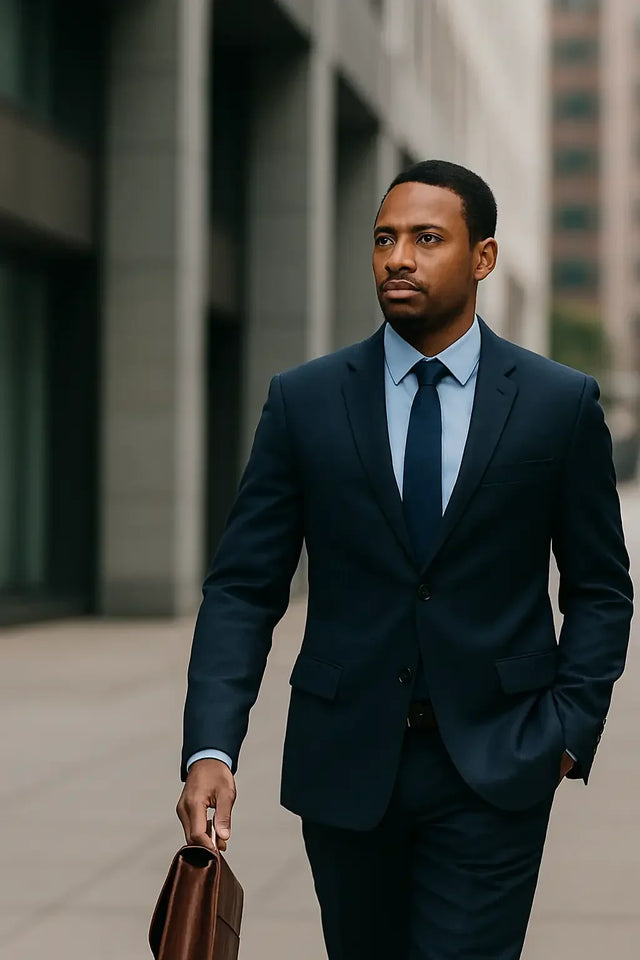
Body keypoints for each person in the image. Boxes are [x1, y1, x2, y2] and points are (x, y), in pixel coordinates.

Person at [176, 160, 633, 959]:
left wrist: (567, 730)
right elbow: (244, 589)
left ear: (482, 258)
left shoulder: (558, 404)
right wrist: (211, 747)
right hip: (346, 764)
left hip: (498, 763)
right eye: (384, 239)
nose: (398, 258)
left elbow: (600, 589)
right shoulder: (304, 401)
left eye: (426, 239)